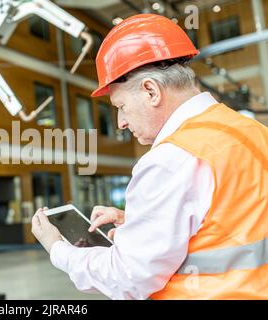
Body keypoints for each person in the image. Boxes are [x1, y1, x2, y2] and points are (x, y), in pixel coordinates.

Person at [31, 14, 268, 300]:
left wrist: (59, 249)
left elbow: (128, 278)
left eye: (120, 106)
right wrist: (138, 221)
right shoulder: (252, 131)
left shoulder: (172, 158)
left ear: (150, 91)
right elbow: (235, 219)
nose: (120, 122)